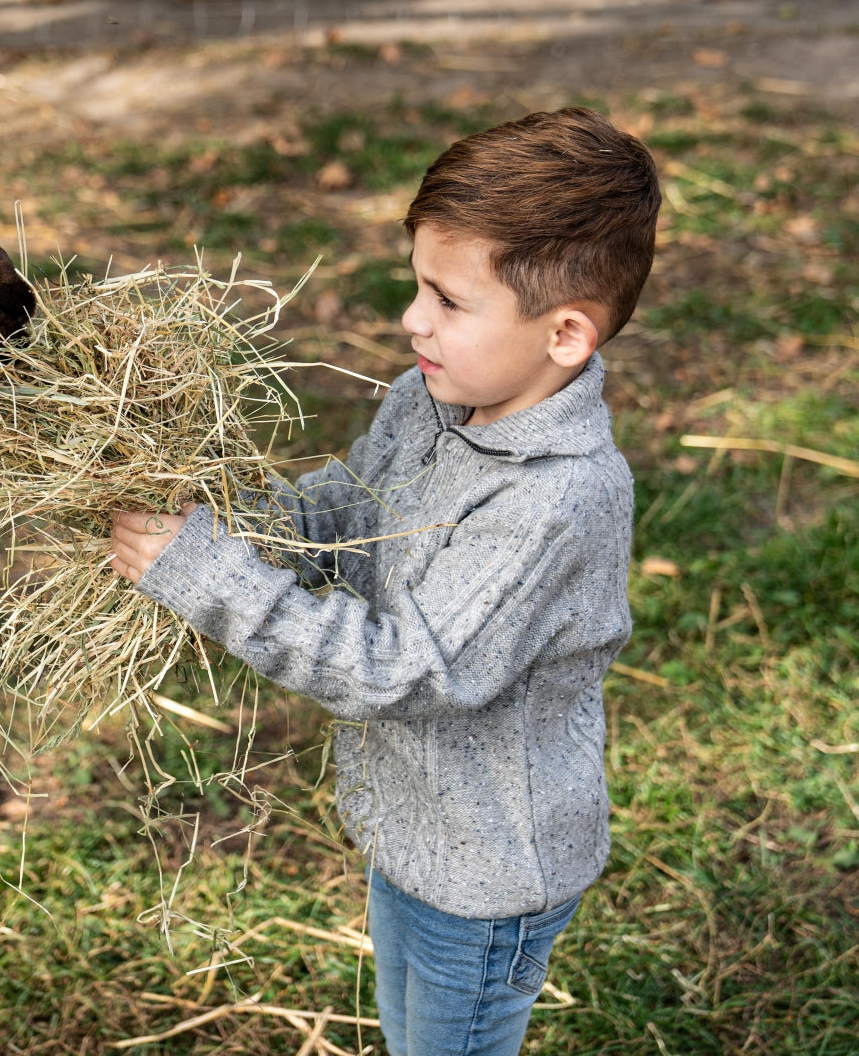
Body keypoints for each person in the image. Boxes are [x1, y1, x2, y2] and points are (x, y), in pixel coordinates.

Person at [109, 107, 660, 1056]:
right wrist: (229, 524)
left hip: (488, 874)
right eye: (418, 286)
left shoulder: (557, 501)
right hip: (416, 832)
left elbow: (402, 672)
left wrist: (211, 578)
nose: (413, 319)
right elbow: (353, 507)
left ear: (566, 335)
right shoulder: (437, 398)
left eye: (448, 301)